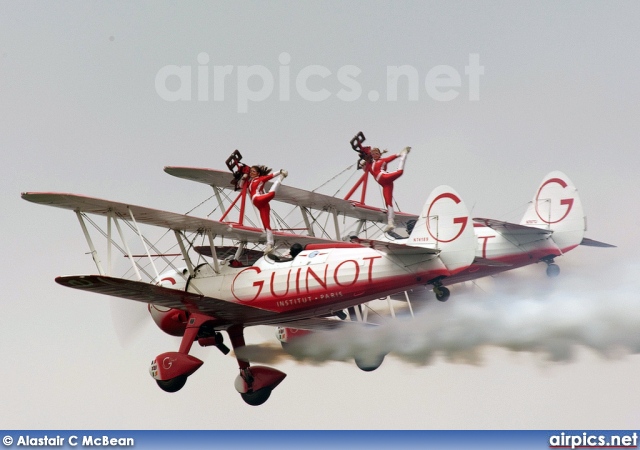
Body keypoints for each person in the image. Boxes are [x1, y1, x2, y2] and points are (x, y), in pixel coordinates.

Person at [243, 165, 288, 254]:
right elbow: (241, 185)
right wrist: (243, 177)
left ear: (258, 174)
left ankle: (281, 177)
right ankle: (269, 245)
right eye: (251, 171)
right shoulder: (250, 182)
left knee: (271, 195)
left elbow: (270, 176)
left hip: (259, 199)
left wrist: (279, 171)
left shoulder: (260, 179)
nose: (251, 173)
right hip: (259, 204)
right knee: (266, 225)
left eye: (253, 171)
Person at [365, 146, 411, 231]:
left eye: (376, 153)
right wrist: (364, 162)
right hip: (385, 185)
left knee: (400, 172)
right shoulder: (370, 165)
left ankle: (403, 154)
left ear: (379, 154)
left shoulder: (382, 161)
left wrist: (398, 154)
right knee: (388, 202)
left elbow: (390, 158)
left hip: (385, 178)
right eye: (373, 154)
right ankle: (390, 222)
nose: (375, 155)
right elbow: (366, 167)